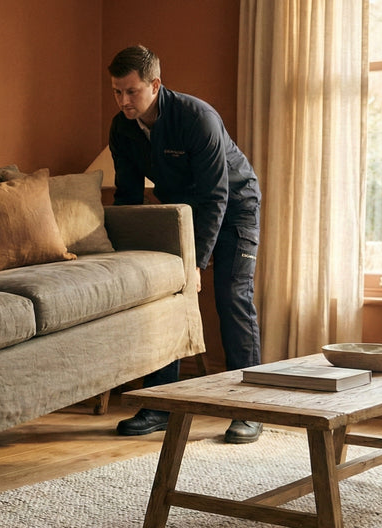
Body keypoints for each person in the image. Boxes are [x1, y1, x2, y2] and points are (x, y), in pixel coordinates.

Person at [107, 45, 263, 444]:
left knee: (232, 296)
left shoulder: (198, 119)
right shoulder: (122, 128)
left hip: (234, 208)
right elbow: (127, 197)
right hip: (179, 214)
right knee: (167, 298)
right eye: (117, 92)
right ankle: (160, 404)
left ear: (155, 85)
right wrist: (126, 255)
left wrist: (198, 261)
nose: (124, 101)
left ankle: (251, 410)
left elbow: (216, 197)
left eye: (132, 91)